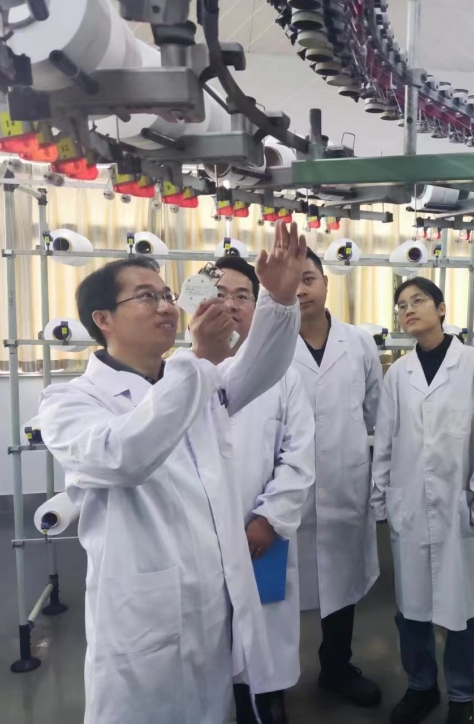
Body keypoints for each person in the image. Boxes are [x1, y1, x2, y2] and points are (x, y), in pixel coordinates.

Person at [39, 222, 306, 724]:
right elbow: (124, 456)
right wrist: (198, 359)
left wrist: (281, 299)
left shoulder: (195, 380)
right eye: (146, 296)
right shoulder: (69, 402)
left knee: (214, 706)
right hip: (145, 610)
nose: (166, 306)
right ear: (103, 319)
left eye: (167, 295)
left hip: (210, 598)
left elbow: (263, 365)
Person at [371, 278, 474, 724]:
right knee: (411, 608)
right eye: (401, 305)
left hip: (460, 509)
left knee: (463, 610)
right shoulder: (398, 374)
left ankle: (462, 696)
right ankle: (420, 687)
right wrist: (382, 499)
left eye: (418, 301)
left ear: (442, 308)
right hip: (410, 507)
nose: (408, 309)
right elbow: (385, 442)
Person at [213, 255, 316, 724]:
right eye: (220, 295)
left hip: (261, 534)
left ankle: (269, 699)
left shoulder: (285, 378)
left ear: (259, 307)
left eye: (242, 296)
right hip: (203, 537)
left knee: (265, 631)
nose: (231, 305)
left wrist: (269, 519)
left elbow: (299, 455)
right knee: (213, 638)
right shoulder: (180, 373)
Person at [292, 248, 383, 707]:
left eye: (308, 278)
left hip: (346, 482)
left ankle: (337, 668)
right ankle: (271, 681)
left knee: (341, 583)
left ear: (326, 283)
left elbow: (377, 412)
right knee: (278, 590)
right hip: (287, 490)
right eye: (291, 281)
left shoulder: (359, 343)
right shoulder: (267, 344)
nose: (300, 290)